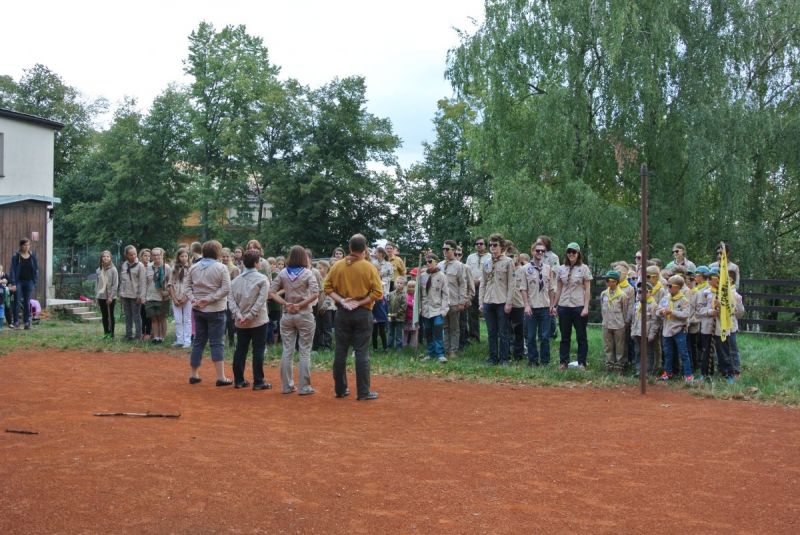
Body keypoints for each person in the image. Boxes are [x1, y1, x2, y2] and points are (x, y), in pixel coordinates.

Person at [323, 233, 383, 400]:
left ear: (349, 248)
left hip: (342, 312)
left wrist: (342, 300)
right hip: (363, 312)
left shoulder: (337, 266)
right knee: (362, 352)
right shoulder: (369, 267)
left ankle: (340, 389)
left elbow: (326, 287)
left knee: (340, 351)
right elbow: (378, 293)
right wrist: (360, 301)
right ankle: (363, 392)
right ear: (364, 249)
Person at [269, 245, 320, 395]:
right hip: (304, 314)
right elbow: (316, 293)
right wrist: (300, 304)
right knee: (304, 351)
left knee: (287, 350)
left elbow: (271, 292)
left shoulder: (283, 273)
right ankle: (304, 387)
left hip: (287, 314)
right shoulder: (308, 273)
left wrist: (286, 303)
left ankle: (287, 386)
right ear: (304, 257)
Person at [186, 240, 232, 386]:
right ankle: (221, 377)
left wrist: (195, 300)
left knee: (198, 341)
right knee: (217, 342)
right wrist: (209, 299)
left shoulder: (193, 267)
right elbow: (226, 289)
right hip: (216, 310)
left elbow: (187, 288)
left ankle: (194, 374)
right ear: (217, 252)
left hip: (198, 309)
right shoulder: (221, 268)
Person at [229, 250, 271, 390]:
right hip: (258, 320)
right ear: (255, 263)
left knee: (241, 349)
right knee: (258, 349)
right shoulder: (262, 279)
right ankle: (258, 381)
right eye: (259, 261)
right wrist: (250, 315)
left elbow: (231, 301)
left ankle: (239, 380)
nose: (260, 263)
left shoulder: (235, 281)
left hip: (241, 322)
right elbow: (261, 301)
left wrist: (239, 315)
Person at [554, 242, 593, 370]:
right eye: (569, 252)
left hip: (579, 305)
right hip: (564, 305)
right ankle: (563, 362)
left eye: (574, 252)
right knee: (565, 336)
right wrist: (554, 305)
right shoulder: (561, 269)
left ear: (578, 254)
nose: (571, 254)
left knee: (581, 336)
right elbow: (558, 288)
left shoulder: (584, 268)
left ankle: (582, 362)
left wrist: (586, 307)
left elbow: (587, 289)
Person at [479, 233, 515, 366]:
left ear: (502, 247)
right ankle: (493, 357)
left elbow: (512, 284)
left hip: (502, 301)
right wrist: (481, 302)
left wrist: (509, 302)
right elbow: (483, 282)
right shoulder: (487, 262)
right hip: (488, 300)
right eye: (490, 245)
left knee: (503, 331)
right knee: (491, 331)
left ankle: (504, 358)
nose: (492, 247)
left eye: (495, 245)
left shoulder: (508, 262)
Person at [520, 242, 556, 366]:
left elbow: (551, 289)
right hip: (532, 307)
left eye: (542, 251)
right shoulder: (525, 269)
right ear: (532, 251)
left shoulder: (548, 268)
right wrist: (526, 305)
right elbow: (523, 289)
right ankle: (533, 360)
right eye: (537, 251)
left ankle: (545, 361)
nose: (540, 253)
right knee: (530, 336)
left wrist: (552, 305)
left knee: (545, 336)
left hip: (545, 307)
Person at [657, 275, 694, 383]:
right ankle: (668, 373)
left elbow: (686, 314)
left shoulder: (684, 300)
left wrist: (672, 312)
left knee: (683, 353)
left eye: (670, 286)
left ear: (678, 287)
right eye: (667, 285)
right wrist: (661, 312)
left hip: (679, 330)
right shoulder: (665, 298)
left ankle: (688, 375)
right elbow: (657, 310)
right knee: (667, 353)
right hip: (667, 329)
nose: (668, 288)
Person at [438, 240, 468, 360]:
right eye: (443, 249)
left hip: (454, 301)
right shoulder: (439, 265)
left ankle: (453, 350)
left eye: (447, 249)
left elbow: (463, 284)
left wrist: (462, 301)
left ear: (454, 250)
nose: (445, 251)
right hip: (441, 302)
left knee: (454, 327)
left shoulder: (459, 266)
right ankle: (445, 349)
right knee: (444, 327)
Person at [420, 253, 449, 363]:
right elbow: (420, 294)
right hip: (425, 309)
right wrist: (419, 308)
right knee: (428, 332)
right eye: (426, 262)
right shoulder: (422, 276)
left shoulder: (442, 276)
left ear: (436, 262)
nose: (428, 263)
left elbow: (446, 294)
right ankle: (430, 353)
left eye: (430, 261)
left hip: (437, 309)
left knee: (437, 330)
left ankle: (440, 354)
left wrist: (444, 309)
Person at [600, 270, 630, 371]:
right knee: (608, 346)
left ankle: (619, 366)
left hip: (618, 325)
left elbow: (624, 310)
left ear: (617, 282)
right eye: (608, 281)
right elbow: (602, 308)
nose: (610, 283)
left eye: (612, 281)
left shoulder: (622, 295)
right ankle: (609, 365)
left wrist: (624, 323)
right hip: (606, 324)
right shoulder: (604, 294)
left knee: (619, 347)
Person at [8, 238, 39, 330]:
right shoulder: (16, 256)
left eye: (28, 245)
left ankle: (26, 322)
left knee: (27, 302)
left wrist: (34, 281)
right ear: (21, 246)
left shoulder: (33, 256)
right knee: (16, 301)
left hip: (29, 282)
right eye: (25, 245)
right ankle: (16, 322)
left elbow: (36, 269)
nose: (27, 247)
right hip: (18, 282)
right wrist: (13, 283)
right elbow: (12, 270)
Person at [119, 245, 147, 341]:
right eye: (131, 254)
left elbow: (143, 282)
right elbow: (122, 280)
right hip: (125, 295)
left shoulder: (140, 266)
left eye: (134, 253)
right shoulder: (124, 265)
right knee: (127, 316)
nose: (133, 256)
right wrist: (121, 293)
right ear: (126, 255)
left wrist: (141, 296)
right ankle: (128, 335)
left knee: (136, 316)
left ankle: (138, 336)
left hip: (136, 296)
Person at [144, 248, 172, 344]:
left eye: (158, 255)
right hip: (150, 297)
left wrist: (167, 292)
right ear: (151, 256)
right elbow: (145, 283)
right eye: (154, 255)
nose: (156, 257)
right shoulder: (148, 267)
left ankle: (162, 337)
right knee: (154, 318)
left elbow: (171, 282)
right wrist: (144, 296)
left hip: (162, 297)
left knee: (162, 318)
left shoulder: (166, 267)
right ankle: (156, 337)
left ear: (162, 256)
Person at [465, 237, 490, 342]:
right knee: (472, 312)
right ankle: (474, 337)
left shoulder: (490, 257)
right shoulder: (471, 257)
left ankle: (492, 336)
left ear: (485, 245)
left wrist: (480, 280)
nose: (479, 245)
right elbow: (466, 270)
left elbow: (490, 271)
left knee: (488, 311)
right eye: (477, 243)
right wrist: (471, 281)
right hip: (472, 287)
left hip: (485, 287)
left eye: (481, 243)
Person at [536, 236, 560, 340]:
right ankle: (541, 332)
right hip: (537, 286)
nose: (538, 244)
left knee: (550, 308)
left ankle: (552, 332)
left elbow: (555, 270)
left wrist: (544, 272)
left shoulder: (553, 257)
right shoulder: (536, 254)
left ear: (546, 244)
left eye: (540, 243)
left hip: (550, 286)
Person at [169, 248, 193, 348]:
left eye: (185, 256)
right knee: (178, 320)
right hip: (176, 298)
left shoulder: (192, 269)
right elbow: (170, 285)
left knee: (187, 319)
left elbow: (192, 285)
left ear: (188, 257)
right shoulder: (174, 269)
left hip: (187, 298)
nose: (184, 258)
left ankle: (187, 341)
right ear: (178, 257)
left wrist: (186, 298)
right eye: (182, 256)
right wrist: (174, 298)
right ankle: (179, 340)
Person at [95, 250, 119, 339]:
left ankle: (112, 334)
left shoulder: (113, 269)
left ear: (110, 258)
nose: (106, 258)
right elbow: (97, 284)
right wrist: (97, 296)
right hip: (101, 296)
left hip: (110, 297)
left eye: (108, 256)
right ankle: (106, 333)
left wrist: (111, 297)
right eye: (104, 256)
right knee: (104, 316)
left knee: (110, 315)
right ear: (101, 258)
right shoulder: (98, 270)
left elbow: (115, 284)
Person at [387, 276, 407, 350]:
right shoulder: (391, 294)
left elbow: (403, 306)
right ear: (395, 284)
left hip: (399, 317)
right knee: (390, 332)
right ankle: (389, 346)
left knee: (399, 332)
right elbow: (388, 303)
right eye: (397, 283)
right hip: (390, 315)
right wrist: (389, 313)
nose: (399, 284)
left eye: (401, 283)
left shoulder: (404, 295)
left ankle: (399, 347)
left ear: (403, 285)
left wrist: (397, 313)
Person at [138, 249, 153, 341]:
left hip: (150, 294)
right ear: (141, 256)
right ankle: (141, 332)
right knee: (141, 314)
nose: (147, 258)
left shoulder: (151, 267)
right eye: (145, 256)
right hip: (138, 294)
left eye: (149, 256)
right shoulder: (138, 266)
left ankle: (148, 333)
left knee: (148, 314)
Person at [403, 279, 418, 350]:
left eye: (413, 287)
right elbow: (406, 304)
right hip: (406, 317)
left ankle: (413, 346)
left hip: (414, 318)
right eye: (409, 287)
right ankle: (404, 345)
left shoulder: (416, 296)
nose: (411, 288)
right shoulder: (406, 295)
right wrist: (412, 304)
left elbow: (417, 305)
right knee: (405, 331)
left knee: (414, 332)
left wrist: (412, 304)